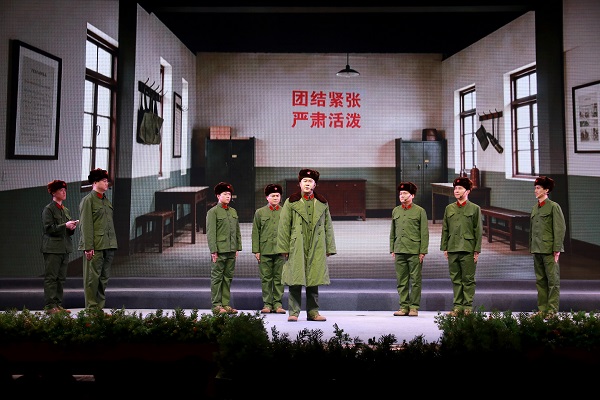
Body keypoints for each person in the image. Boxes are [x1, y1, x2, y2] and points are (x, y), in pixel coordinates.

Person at [277, 168, 337, 322]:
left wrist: (329, 247)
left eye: (310, 181)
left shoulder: (322, 203)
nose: (307, 184)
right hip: (296, 245)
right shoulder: (291, 202)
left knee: (314, 279)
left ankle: (313, 312)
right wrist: (284, 248)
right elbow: (284, 226)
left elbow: (328, 225)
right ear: (300, 183)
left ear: (315, 184)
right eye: (305, 181)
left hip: (316, 245)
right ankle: (293, 312)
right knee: (295, 278)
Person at [440, 177, 482, 316]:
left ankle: (467, 307)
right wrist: (445, 247)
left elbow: (478, 230)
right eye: (455, 188)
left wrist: (477, 250)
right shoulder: (449, 208)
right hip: (452, 248)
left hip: (468, 248)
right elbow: (445, 229)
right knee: (456, 279)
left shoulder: (475, 209)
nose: (456, 191)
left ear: (467, 191)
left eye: (460, 188)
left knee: (468, 279)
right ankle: (457, 307)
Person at [78, 168, 118, 309]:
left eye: (107, 181)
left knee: (103, 278)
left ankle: (99, 308)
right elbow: (86, 226)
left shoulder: (105, 200)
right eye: (104, 181)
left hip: (108, 244)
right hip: (96, 246)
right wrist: (88, 247)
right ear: (95, 182)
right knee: (92, 278)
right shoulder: (88, 201)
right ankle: (92, 308)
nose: (107, 183)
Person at [390, 182, 429, 317]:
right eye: (400, 193)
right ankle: (403, 306)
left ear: (412, 195)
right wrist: (392, 249)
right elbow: (393, 232)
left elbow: (424, 233)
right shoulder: (396, 211)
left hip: (414, 251)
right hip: (399, 249)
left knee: (415, 280)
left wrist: (423, 251)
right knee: (401, 280)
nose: (402, 195)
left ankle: (414, 307)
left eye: (405, 193)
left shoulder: (419, 211)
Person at [529, 176, 566, 316]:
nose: (535, 190)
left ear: (546, 190)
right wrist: (531, 247)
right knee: (540, 281)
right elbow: (532, 230)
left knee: (553, 281)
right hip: (537, 249)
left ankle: (552, 310)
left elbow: (560, 228)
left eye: (538, 188)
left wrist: (557, 249)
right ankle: (542, 310)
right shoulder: (535, 208)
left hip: (549, 250)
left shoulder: (553, 207)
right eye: (535, 188)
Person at [41, 180, 79, 314]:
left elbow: (66, 231)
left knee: (61, 278)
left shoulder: (65, 210)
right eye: (61, 190)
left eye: (65, 190)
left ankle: (57, 304)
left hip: (64, 248)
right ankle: (50, 306)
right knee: (51, 277)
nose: (64, 192)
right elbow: (48, 229)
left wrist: (71, 227)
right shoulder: (49, 209)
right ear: (53, 192)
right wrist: (65, 226)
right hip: (52, 248)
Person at [206, 182, 241, 314]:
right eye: (225, 194)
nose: (228, 196)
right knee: (217, 278)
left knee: (227, 278)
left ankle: (225, 304)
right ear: (218, 196)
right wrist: (213, 251)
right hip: (220, 251)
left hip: (231, 250)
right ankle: (216, 305)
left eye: (229, 194)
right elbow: (211, 233)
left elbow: (237, 231)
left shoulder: (233, 211)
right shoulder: (213, 212)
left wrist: (237, 248)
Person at [252, 183, 286, 314]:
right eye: (273, 195)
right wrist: (256, 250)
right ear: (267, 197)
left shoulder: (285, 212)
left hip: (280, 250)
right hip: (265, 250)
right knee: (266, 278)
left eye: (278, 195)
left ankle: (277, 304)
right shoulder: (260, 213)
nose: (276, 198)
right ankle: (267, 304)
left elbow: (289, 232)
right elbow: (256, 232)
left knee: (279, 278)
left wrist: (288, 249)